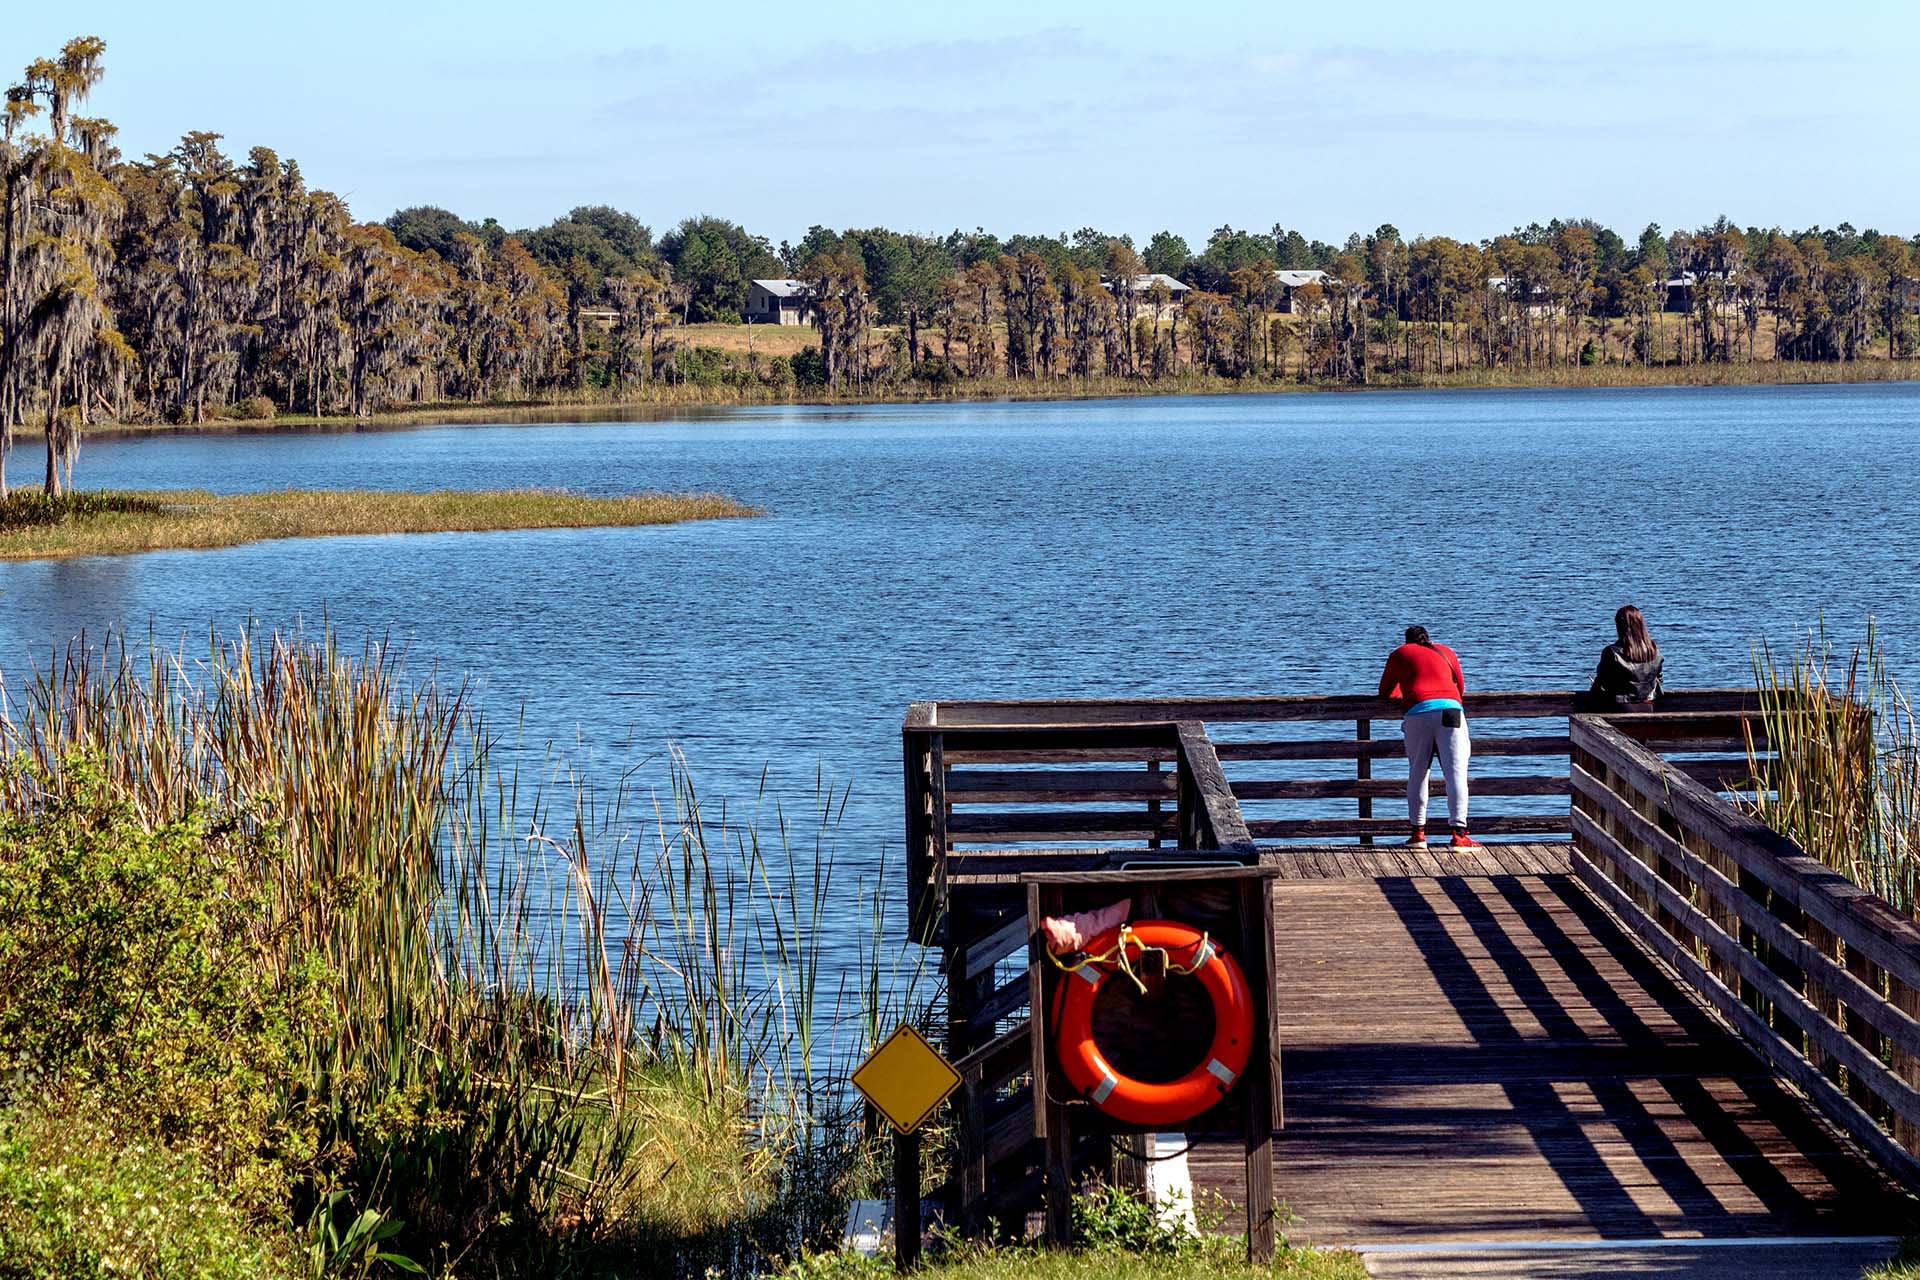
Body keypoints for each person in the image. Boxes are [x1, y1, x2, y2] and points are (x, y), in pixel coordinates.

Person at [1378, 625, 1478, 850]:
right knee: (1456, 774)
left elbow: (1385, 692)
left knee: (1418, 772)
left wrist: (1403, 693)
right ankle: (1459, 835)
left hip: (1417, 713)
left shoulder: (1400, 653)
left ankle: (1418, 834)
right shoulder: (1447, 651)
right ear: (1428, 639)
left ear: (1407, 641)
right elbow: (1460, 687)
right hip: (1450, 712)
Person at [1589, 604, 1664, 709]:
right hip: (1648, 706)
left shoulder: (1612, 652)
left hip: (1620, 707)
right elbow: (1658, 680)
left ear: (1619, 626)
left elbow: (1601, 683)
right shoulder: (1654, 651)